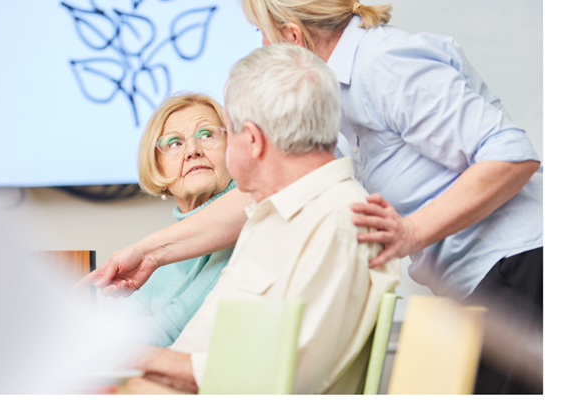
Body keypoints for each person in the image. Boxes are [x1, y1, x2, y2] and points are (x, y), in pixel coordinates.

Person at [85, 0, 542, 394]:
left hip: (521, 265)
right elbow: (260, 197)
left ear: (291, 34)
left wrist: (410, 231)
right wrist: (149, 252)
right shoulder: (329, 107)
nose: (261, 47)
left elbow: (512, 155)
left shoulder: (383, 62)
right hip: (476, 281)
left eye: (260, 34)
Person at [125, 43, 399, 394]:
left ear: (252, 140)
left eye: (223, 131)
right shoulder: (276, 218)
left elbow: (280, 378)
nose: (198, 149)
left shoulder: (339, 224)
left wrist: (140, 360)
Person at [113, 93, 236, 347]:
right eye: (174, 143)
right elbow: (117, 327)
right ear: (157, 166)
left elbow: (167, 329)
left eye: (206, 134)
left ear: (234, 148)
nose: (192, 150)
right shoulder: (161, 255)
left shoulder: (247, 227)